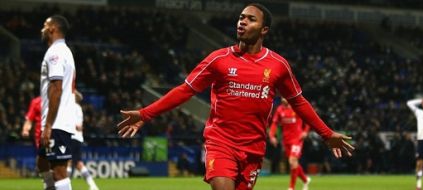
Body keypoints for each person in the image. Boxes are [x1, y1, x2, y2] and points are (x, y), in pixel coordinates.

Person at [118, 3, 354, 190]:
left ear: (264, 30)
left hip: (253, 149)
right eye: (241, 17)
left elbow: (298, 102)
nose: (242, 22)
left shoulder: (278, 66)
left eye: (251, 19)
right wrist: (145, 114)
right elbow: (185, 90)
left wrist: (326, 133)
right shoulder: (218, 59)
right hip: (221, 143)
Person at [39, 15, 77, 190]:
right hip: (58, 120)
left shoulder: (55, 53)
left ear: (53, 28)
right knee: (42, 163)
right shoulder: (65, 51)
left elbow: (56, 88)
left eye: (45, 26)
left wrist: (48, 126)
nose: (42, 29)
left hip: (57, 122)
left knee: (60, 172)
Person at [269, 98, 311, 190]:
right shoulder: (280, 109)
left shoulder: (296, 107)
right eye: (282, 97)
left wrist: (305, 132)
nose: (284, 99)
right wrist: (272, 136)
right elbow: (274, 123)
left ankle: (291, 187)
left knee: (292, 161)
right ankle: (305, 180)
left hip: (297, 139)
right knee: (294, 163)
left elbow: (308, 119)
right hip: (286, 140)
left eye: (285, 96)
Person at [21, 96, 55, 190]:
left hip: (55, 133)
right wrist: (25, 129)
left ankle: (52, 185)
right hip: (40, 137)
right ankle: (49, 185)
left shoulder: (57, 98)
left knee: (54, 162)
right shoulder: (36, 102)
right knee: (42, 162)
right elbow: (29, 119)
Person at [67, 90, 99, 190]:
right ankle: (93, 185)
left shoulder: (71, 107)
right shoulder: (78, 108)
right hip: (78, 137)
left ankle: (66, 186)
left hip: (71, 136)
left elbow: (77, 126)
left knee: (68, 161)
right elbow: (80, 127)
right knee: (78, 163)